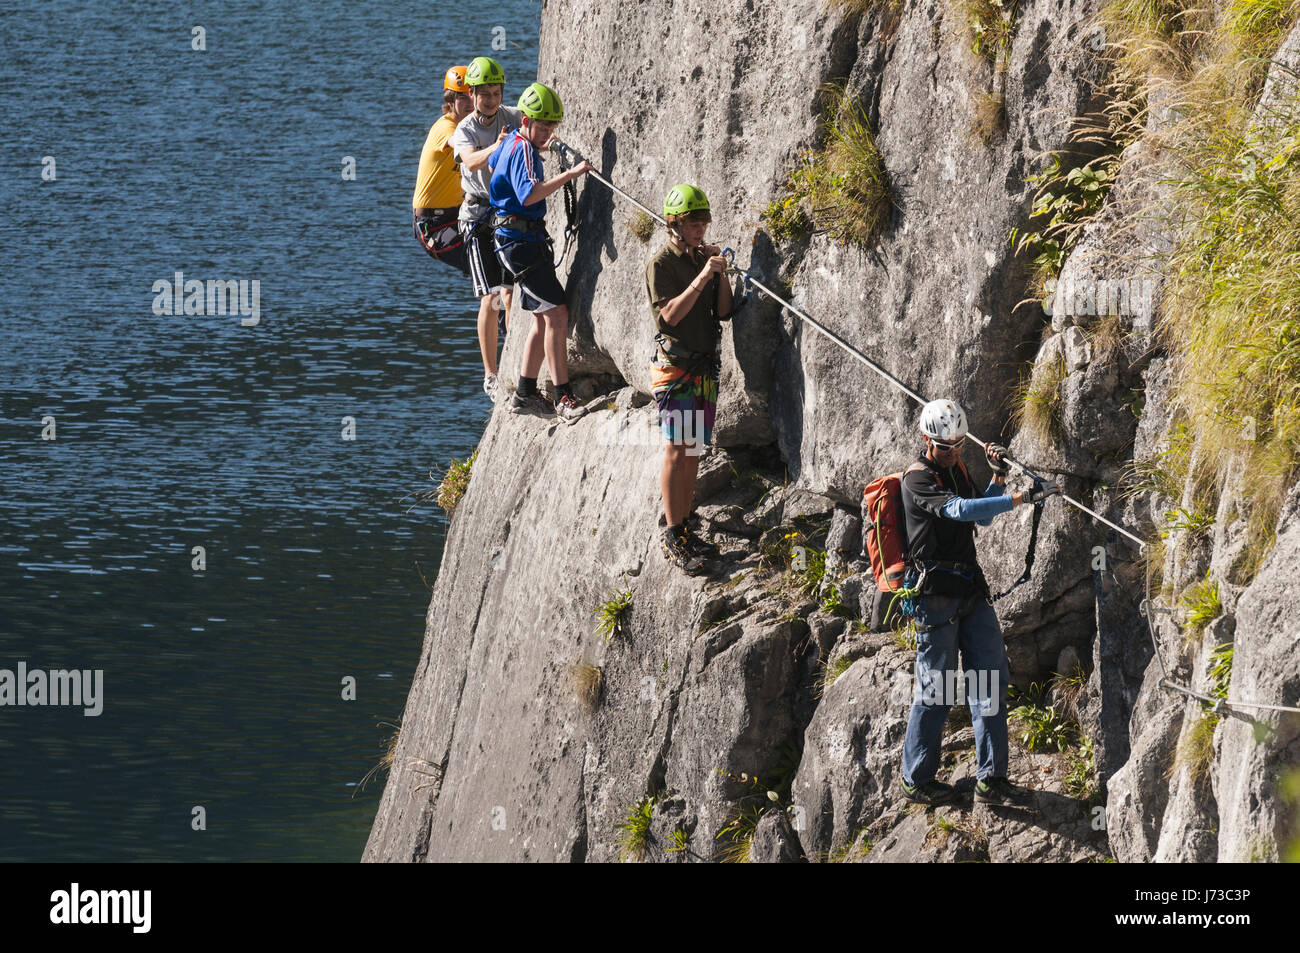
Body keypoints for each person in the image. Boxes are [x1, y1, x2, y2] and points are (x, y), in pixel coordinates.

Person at [897, 399, 1060, 806]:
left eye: (956, 447)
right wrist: (1022, 499)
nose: (952, 454)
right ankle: (916, 779)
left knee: (989, 677)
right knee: (937, 689)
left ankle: (992, 777)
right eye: (944, 448)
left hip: (969, 589)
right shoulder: (916, 480)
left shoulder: (958, 468)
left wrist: (999, 478)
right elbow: (957, 510)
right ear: (926, 440)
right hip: (934, 598)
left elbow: (980, 517)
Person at [486, 81, 592, 421]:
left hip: (515, 240)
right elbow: (530, 194)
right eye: (542, 125)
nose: (547, 132)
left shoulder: (512, 142)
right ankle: (563, 398)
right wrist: (572, 173)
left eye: (551, 126)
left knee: (541, 319)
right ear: (526, 121)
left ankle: (524, 394)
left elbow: (492, 169)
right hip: (521, 245)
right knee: (557, 315)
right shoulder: (525, 150)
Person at [645, 185, 734, 572]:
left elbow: (725, 311)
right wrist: (702, 275)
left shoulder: (703, 258)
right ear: (674, 224)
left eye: (703, 222)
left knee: (693, 450)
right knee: (676, 449)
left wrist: (722, 273)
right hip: (677, 368)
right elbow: (669, 317)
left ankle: (684, 526)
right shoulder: (661, 264)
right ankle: (671, 531)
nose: (700, 229)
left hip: (702, 369)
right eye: (693, 223)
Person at [449, 56, 520, 404]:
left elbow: (534, 122)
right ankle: (490, 375)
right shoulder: (464, 130)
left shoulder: (511, 116)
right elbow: (472, 160)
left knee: (510, 292)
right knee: (491, 297)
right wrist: (499, 145)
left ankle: (514, 357)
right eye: (483, 94)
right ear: (472, 95)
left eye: (495, 93)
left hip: (505, 212)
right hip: (477, 217)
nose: (490, 100)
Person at [412, 66, 473, 276]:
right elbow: (457, 142)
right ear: (450, 102)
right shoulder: (445, 126)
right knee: (484, 261)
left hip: (458, 216)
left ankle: (501, 305)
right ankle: (498, 306)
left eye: (473, 95)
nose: (471, 103)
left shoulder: (473, 127)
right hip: (433, 225)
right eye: (463, 98)